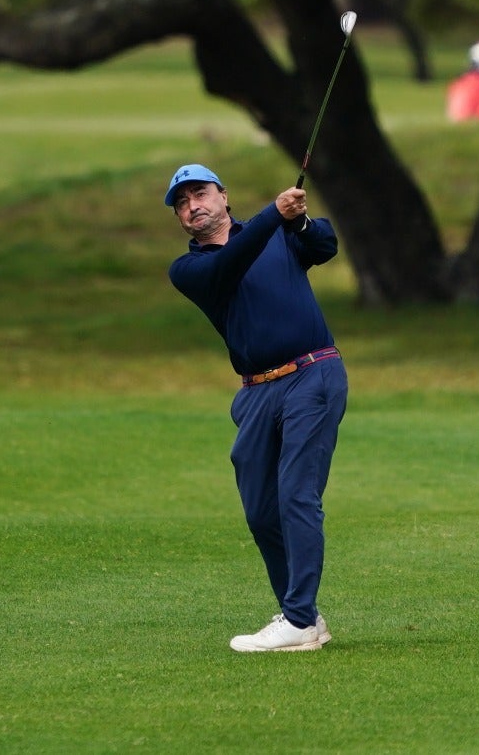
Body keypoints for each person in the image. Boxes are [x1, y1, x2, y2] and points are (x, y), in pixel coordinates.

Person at [165, 163, 348, 653]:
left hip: (313, 371)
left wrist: (300, 221)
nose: (192, 207)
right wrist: (274, 214)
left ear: (223, 196)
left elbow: (324, 245)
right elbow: (231, 264)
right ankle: (303, 616)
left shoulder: (277, 232)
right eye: (182, 204)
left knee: (295, 494)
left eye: (200, 194)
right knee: (262, 508)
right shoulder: (189, 270)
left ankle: (298, 618)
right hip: (256, 391)